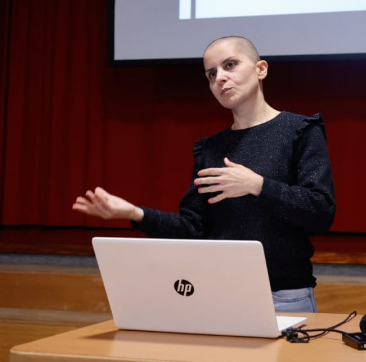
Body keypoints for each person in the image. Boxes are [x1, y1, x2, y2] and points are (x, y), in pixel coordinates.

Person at [73, 36, 336, 312]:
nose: (220, 78)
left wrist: (257, 185)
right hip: (218, 294)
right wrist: (136, 214)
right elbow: (192, 229)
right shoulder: (210, 149)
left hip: (284, 297)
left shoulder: (300, 131)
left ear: (261, 70)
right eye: (212, 74)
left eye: (230, 65)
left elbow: (320, 211)